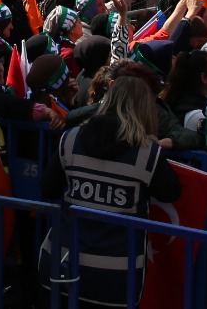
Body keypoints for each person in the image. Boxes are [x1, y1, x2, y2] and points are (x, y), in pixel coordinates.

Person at [39, 76, 181, 307]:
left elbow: (47, 188)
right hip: (116, 281)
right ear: (145, 110)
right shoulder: (147, 154)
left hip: (62, 267)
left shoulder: (70, 139)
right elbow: (172, 192)